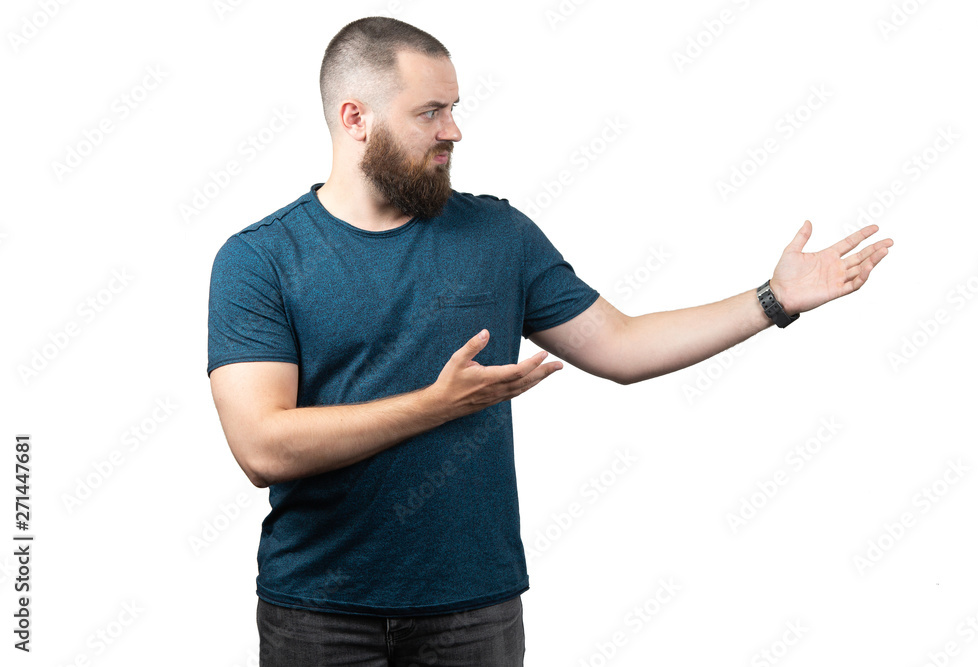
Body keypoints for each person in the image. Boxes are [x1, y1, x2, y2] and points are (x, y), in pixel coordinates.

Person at [206, 16, 893, 667]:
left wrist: (772, 300)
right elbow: (262, 447)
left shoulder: (498, 236)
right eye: (430, 112)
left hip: (473, 611)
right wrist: (435, 405)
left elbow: (622, 345)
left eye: (454, 108)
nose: (454, 130)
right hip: (318, 612)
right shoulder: (260, 259)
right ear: (356, 119)